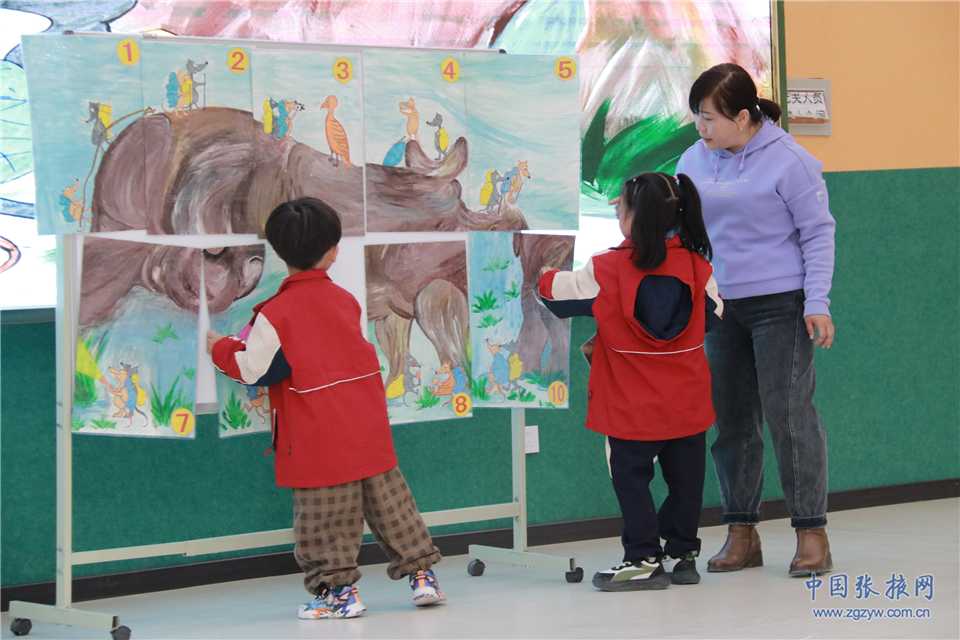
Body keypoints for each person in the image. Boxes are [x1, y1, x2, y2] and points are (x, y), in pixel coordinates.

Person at [206, 197, 445, 619]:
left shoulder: (276, 313)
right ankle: (423, 576)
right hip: (366, 427)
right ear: (333, 252)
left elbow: (254, 369)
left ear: (278, 253)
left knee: (324, 519)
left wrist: (219, 347)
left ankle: (338, 594)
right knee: (392, 506)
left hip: (316, 436)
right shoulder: (345, 299)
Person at [676, 62, 836, 576]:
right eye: (697, 116)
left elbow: (818, 233)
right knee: (732, 422)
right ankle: (741, 531)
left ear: (742, 117)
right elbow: (683, 228)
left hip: (781, 305)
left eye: (709, 117)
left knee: (789, 416)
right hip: (720, 306)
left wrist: (817, 301)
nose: (700, 127)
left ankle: (811, 532)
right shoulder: (693, 159)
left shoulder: (791, 160)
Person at [538, 172, 723, 591]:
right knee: (686, 481)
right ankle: (682, 555)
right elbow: (714, 315)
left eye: (620, 204)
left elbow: (555, 294)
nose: (615, 208)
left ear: (633, 216)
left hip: (629, 406)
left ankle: (642, 558)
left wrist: (543, 272)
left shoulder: (606, 268)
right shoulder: (699, 268)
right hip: (688, 401)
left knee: (631, 480)